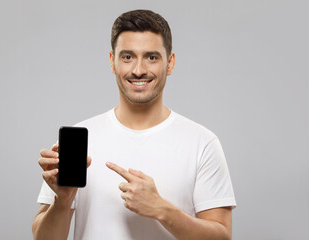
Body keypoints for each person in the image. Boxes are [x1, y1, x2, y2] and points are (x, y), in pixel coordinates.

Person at [32, 9, 236, 240]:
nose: (138, 70)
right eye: (127, 57)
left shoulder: (202, 143)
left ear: (170, 63)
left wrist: (162, 210)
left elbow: (222, 236)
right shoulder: (80, 140)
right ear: (112, 61)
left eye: (151, 57)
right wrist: (62, 201)